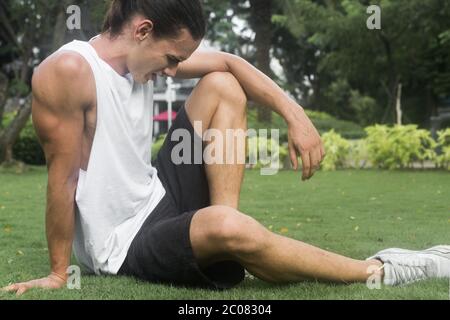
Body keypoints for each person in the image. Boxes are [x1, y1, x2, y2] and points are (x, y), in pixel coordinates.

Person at [2, 0, 449, 296]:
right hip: (120, 244)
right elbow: (62, 177)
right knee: (222, 224)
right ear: (142, 31)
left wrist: (296, 116)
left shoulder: (145, 59)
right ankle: (381, 268)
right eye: (172, 58)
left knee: (221, 84)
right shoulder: (68, 70)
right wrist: (60, 274)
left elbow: (231, 62)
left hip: (157, 197)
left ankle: (226, 233)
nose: (173, 70)